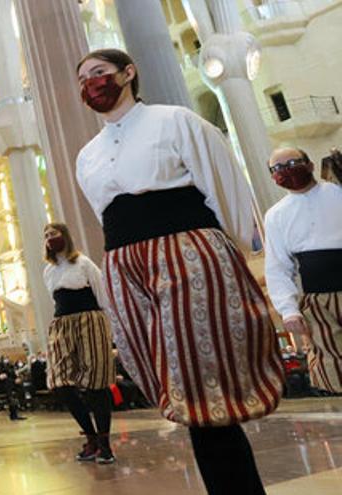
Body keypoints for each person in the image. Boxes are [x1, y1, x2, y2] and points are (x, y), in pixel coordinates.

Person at [75, 48, 284, 494]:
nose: (90, 83)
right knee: (176, 383)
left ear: (129, 73)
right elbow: (104, 214)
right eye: (83, 78)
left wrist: (228, 248)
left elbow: (223, 184)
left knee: (205, 379)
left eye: (99, 72)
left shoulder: (175, 121)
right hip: (125, 264)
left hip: (185, 250)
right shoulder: (87, 156)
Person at [264, 147, 342, 394]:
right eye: (278, 168)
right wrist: (288, 311)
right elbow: (277, 267)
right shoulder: (276, 215)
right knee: (333, 363)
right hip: (319, 302)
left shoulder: (338, 192)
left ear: (309, 165)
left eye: (293, 163)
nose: (286, 170)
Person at [42, 222, 116, 463]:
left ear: (65, 235)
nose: (50, 238)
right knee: (60, 381)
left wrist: (112, 332)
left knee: (96, 383)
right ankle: (91, 436)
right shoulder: (48, 271)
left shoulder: (84, 263)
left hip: (90, 321)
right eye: (46, 235)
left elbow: (103, 298)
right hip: (62, 324)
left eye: (54, 233)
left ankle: (104, 444)